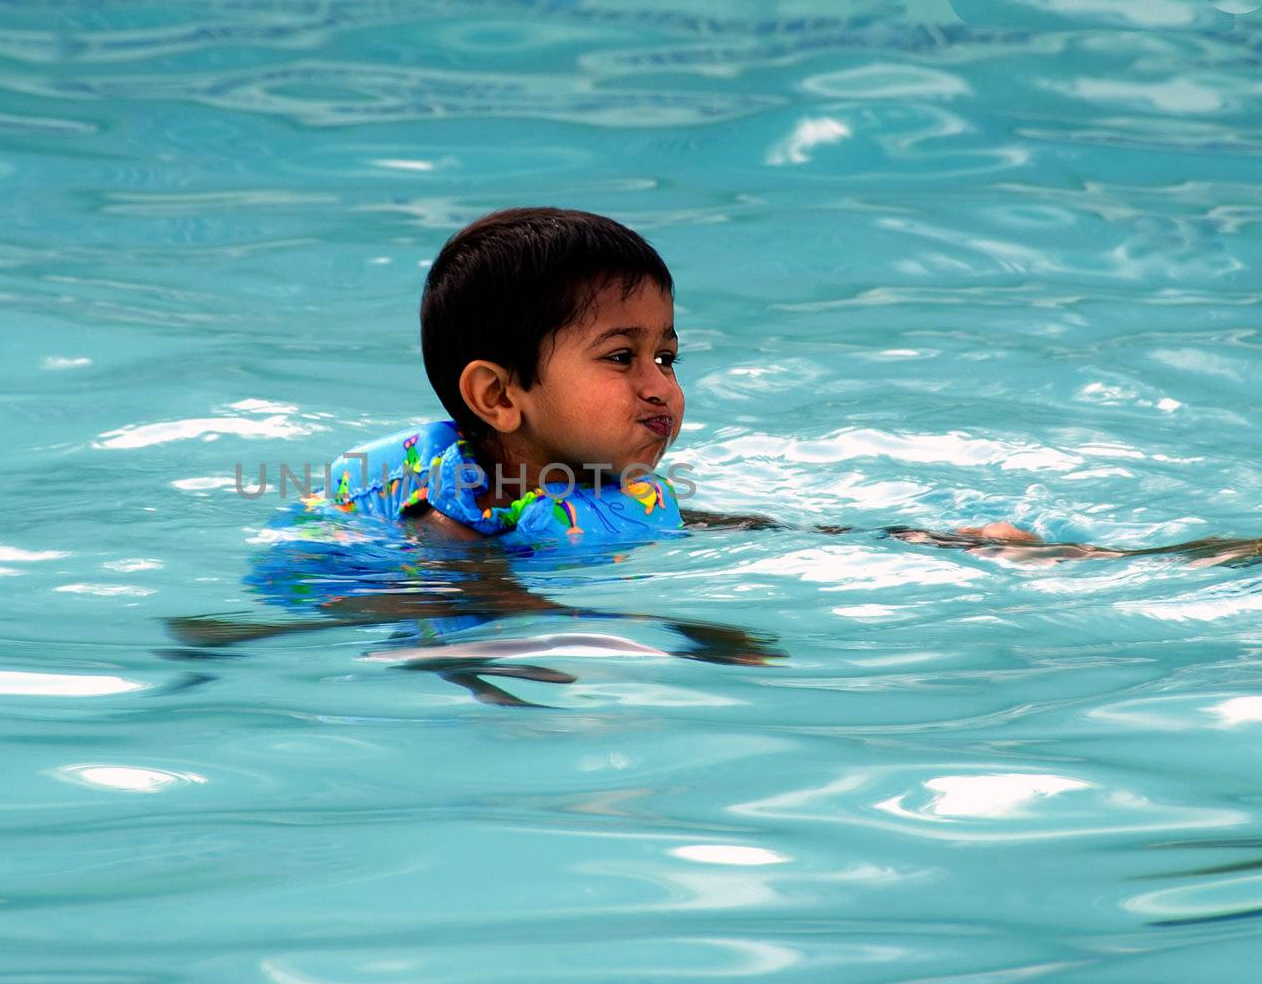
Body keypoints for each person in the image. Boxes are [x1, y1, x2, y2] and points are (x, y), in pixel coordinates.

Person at [168, 208, 1258, 702]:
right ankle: (231, 641)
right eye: (621, 355)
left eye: (668, 352)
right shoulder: (444, 505)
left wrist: (910, 541)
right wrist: (673, 639)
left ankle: (1132, 554)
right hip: (361, 587)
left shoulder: (585, 479)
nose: (660, 384)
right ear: (499, 395)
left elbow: (668, 523)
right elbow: (461, 594)